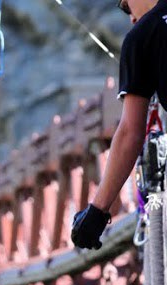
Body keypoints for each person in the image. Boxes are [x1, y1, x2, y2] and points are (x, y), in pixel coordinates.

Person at [71, 0, 167, 249]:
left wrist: (96, 212)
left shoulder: (142, 37)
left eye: (125, 7)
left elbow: (129, 133)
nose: (131, 19)